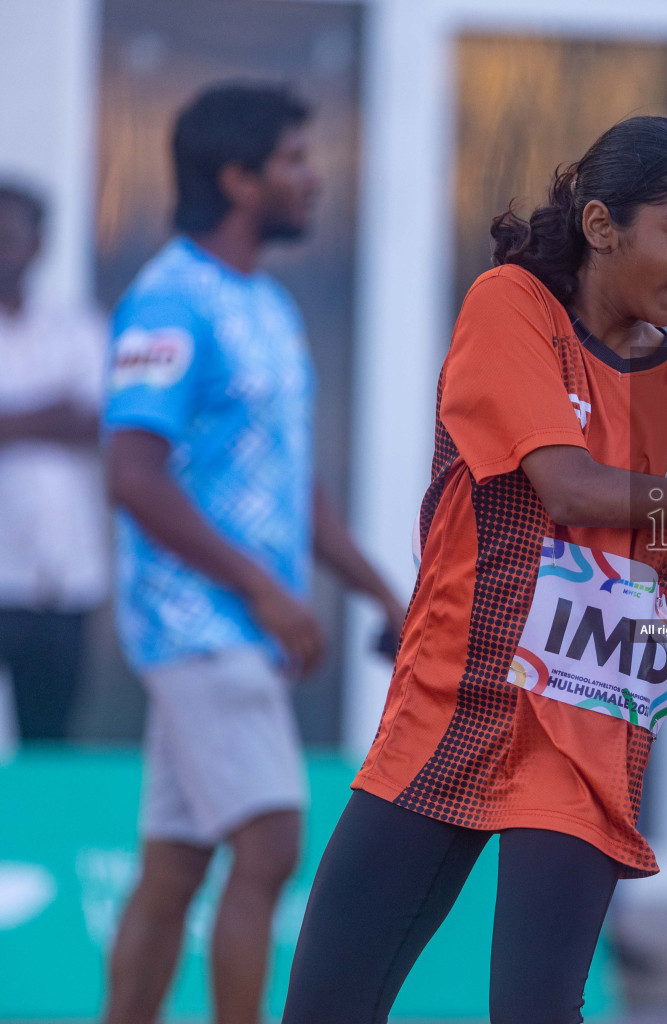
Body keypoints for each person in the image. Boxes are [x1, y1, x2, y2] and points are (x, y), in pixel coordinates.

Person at [282, 115, 667, 1024]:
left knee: (535, 1014)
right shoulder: (512, 308)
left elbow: (657, 603)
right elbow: (572, 490)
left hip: (587, 737)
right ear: (599, 226)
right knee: (326, 1010)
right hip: (451, 711)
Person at [100, 83, 406, 1024]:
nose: (315, 179)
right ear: (237, 178)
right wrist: (269, 595)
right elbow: (132, 473)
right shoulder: (168, 301)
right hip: (195, 621)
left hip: (240, 624)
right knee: (270, 844)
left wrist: (382, 592)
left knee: (177, 866)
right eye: (294, 160)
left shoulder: (266, 305)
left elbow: (290, 484)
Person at [0, 182, 109, 742]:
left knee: (51, 741)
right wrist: (57, 412)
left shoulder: (78, 330)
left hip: (62, 577)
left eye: (13, 235)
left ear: (39, 244)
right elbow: (75, 416)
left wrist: (10, 423)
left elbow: (101, 425)